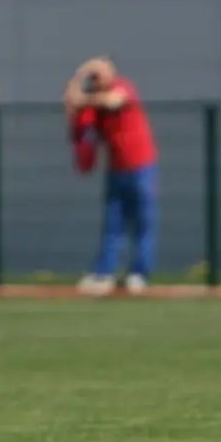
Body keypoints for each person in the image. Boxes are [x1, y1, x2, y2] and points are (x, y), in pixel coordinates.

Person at [63, 56, 158, 296]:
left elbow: (114, 100)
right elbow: (71, 102)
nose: (98, 81)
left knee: (143, 221)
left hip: (141, 166)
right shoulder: (95, 107)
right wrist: (80, 74)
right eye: (94, 78)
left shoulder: (123, 87)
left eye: (100, 75)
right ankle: (104, 274)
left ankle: (139, 274)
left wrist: (86, 95)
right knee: (113, 224)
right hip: (116, 169)